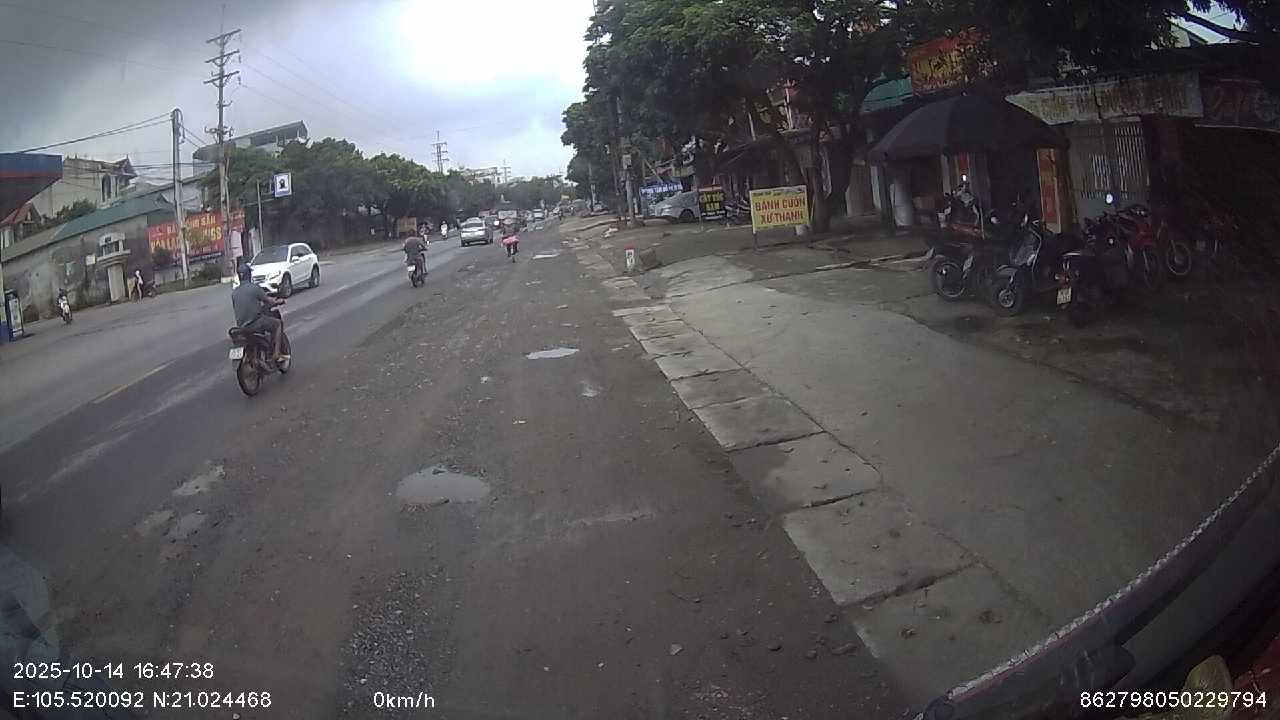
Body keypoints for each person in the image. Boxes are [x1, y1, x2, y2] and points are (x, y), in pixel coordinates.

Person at [231, 265, 287, 362]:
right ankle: (276, 354)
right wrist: (279, 301)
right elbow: (269, 301)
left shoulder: (235, 293)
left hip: (241, 326)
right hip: (255, 323)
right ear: (249, 275)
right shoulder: (255, 288)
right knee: (278, 324)